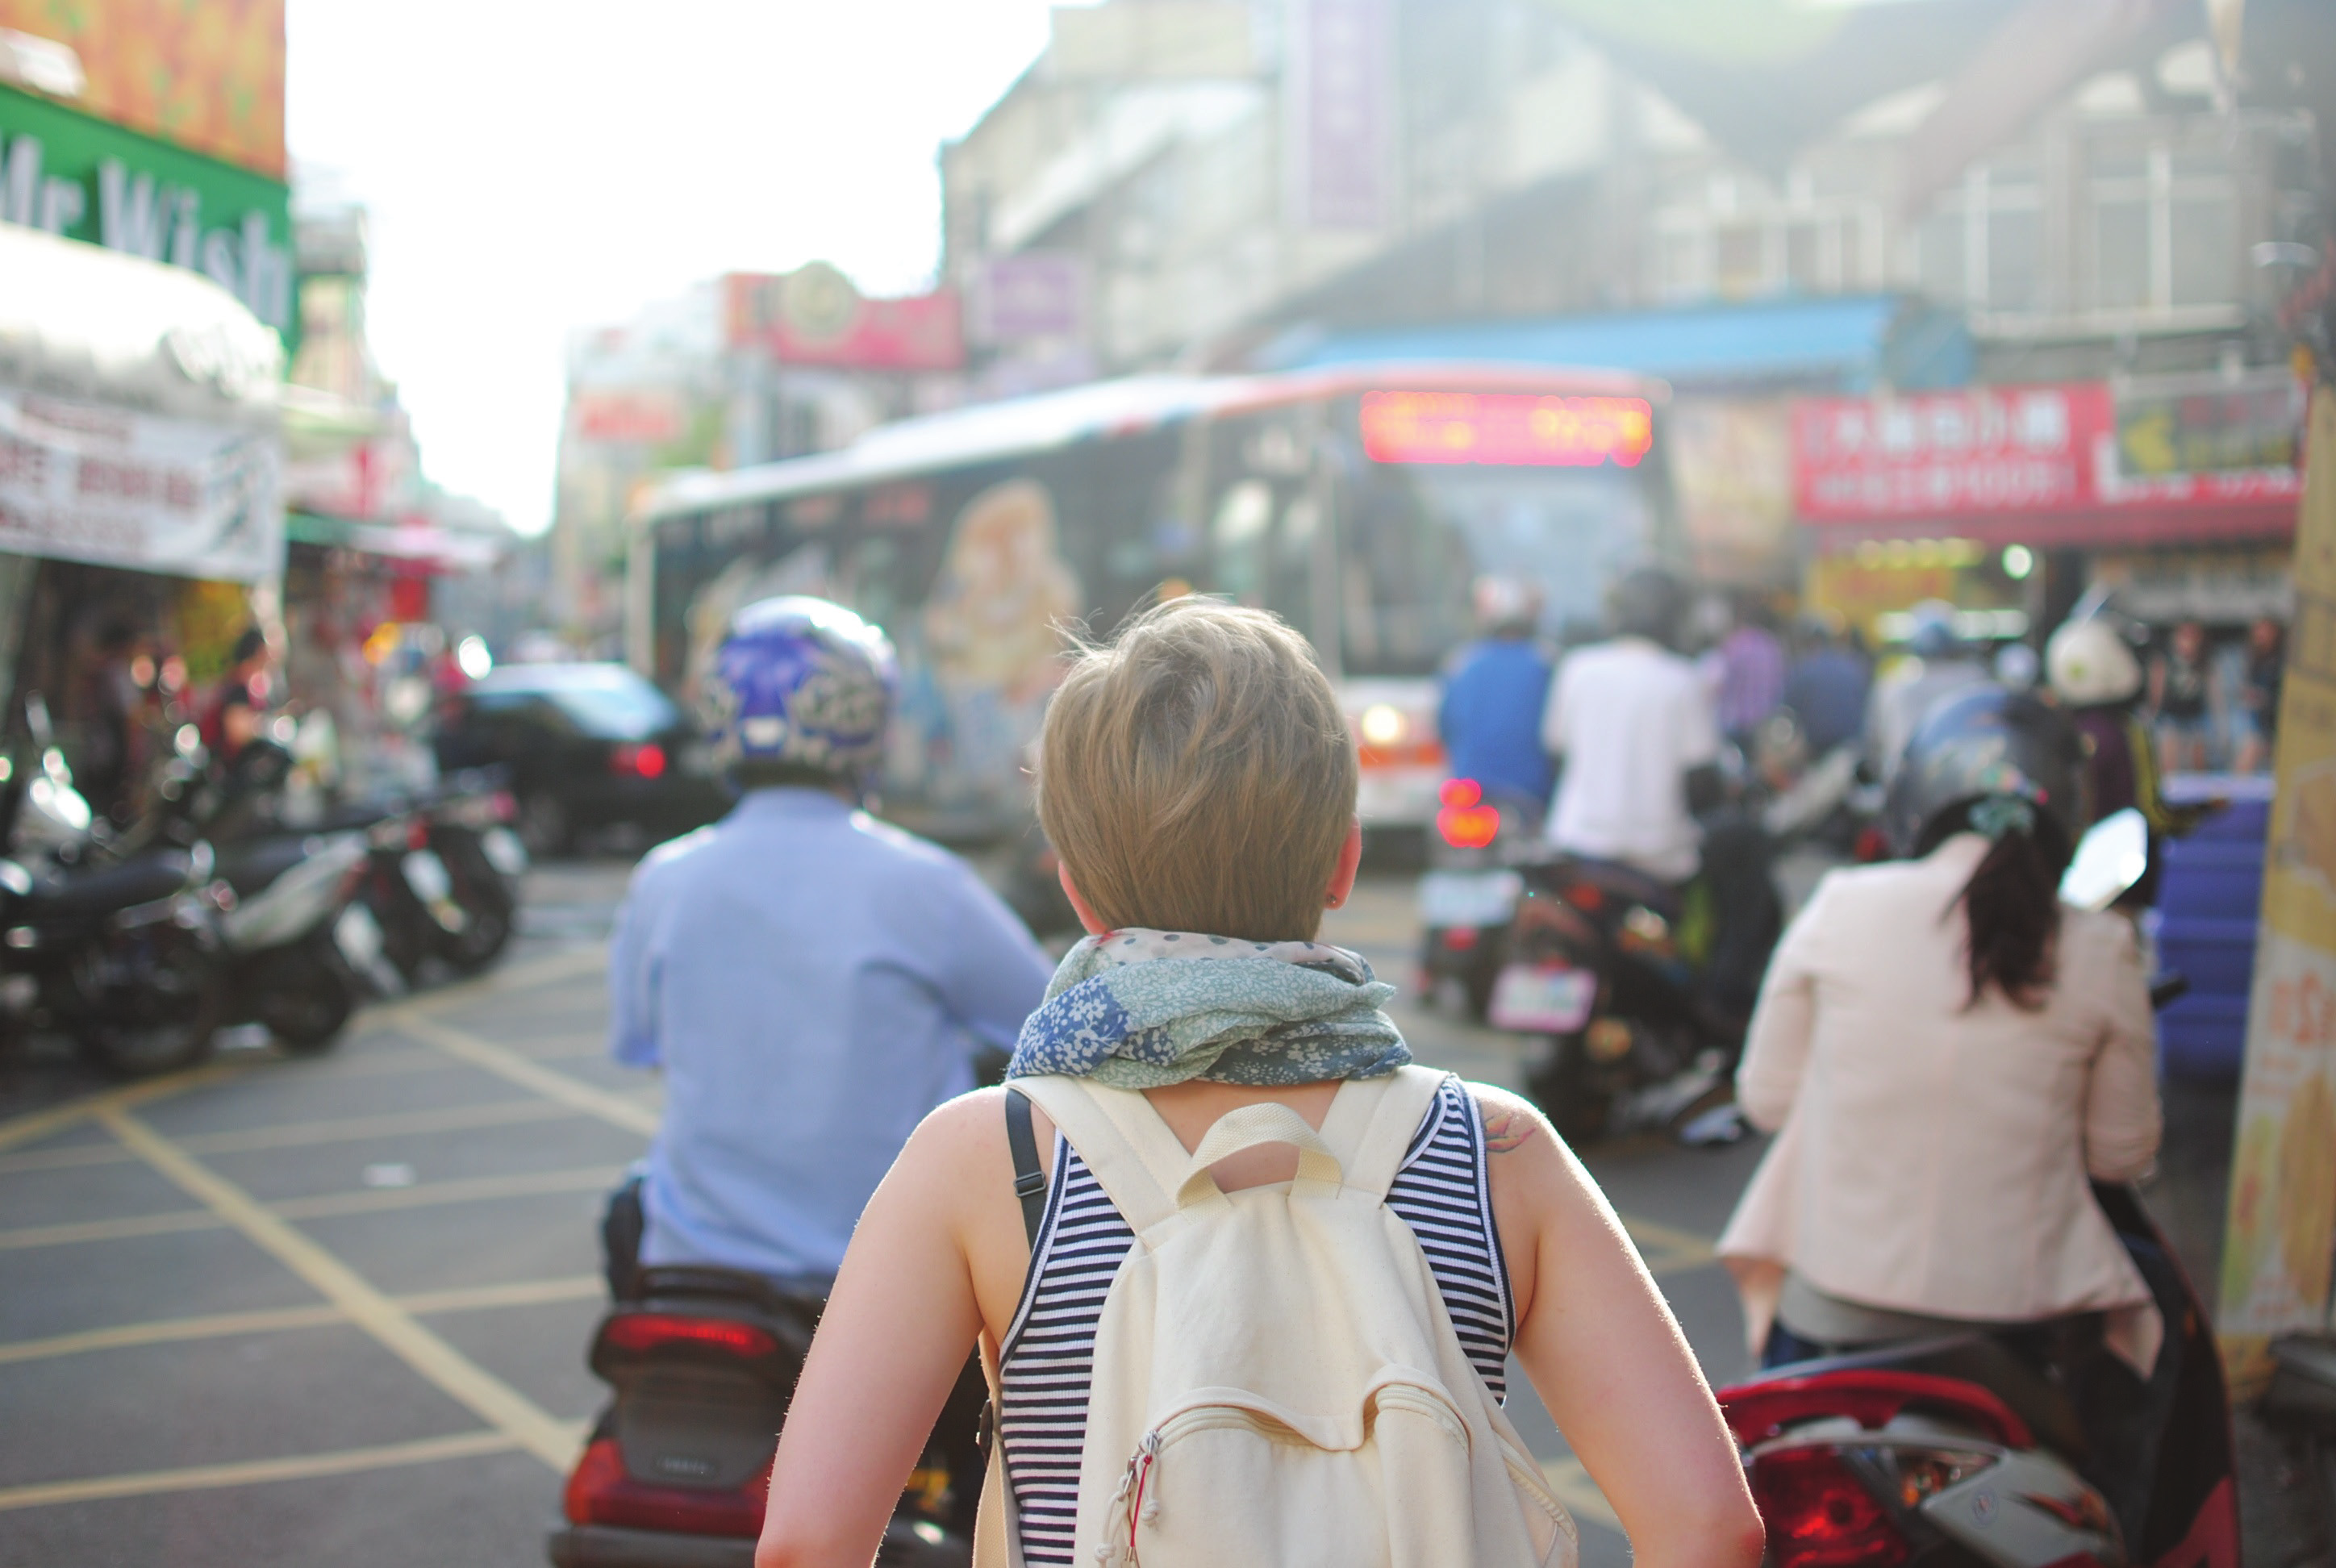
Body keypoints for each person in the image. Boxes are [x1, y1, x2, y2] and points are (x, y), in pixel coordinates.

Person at [753, 598, 1763, 1568]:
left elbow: (807, 1546)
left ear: (1075, 884)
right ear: (1344, 863)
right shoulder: (1493, 1152)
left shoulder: (987, 1159)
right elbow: (1710, 1530)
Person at [604, 596, 1053, 1295]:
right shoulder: (922, 883)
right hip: (879, 1281)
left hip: (690, 1265)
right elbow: (1046, 1024)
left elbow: (641, 1044)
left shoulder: (665, 879)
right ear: (868, 723)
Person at [1717, 683, 2161, 1376]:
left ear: (1917, 800)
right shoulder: (2100, 945)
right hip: (2019, 1328)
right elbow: (2120, 1155)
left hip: (1830, 1313)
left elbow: (1768, 1100)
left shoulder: (1842, 905)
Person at [1539, 566, 1722, 886]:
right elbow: (1701, 783)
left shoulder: (1577, 669)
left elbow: (1557, 757)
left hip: (1577, 844)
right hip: (1658, 857)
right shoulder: (1683, 679)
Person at [2046, 610, 2205, 909]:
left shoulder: (2057, 731)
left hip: (2069, 890)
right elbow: (2153, 811)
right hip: (2123, 890)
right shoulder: (2128, 732)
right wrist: (2200, 815)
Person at [1435, 575, 1554, 831]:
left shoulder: (1459, 663)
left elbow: (1444, 728)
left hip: (1467, 792)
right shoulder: (1547, 664)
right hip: (1531, 794)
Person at [1863, 600, 1989, 786]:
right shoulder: (1975, 677)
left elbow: (1873, 741)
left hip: (1909, 786)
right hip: (1959, 784)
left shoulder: (1893, 682)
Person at [1778, 615, 1869, 757]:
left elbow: (1788, 712)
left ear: (1811, 642)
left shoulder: (1803, 669)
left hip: (1816, 750)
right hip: (1852, 749)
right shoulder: (1854, 666)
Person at [1712, 593, 1786, 747]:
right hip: (1764, 724)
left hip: (1736, 723)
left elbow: (1719, 682)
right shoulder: (1772, 646)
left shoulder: (1735, 644)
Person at [199, 625, 275, 765]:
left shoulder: (251, 680)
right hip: (235, 764)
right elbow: (235, 730)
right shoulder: (240, 683)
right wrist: (261, 725)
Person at [2148, 619, 2213, 775]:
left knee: (2198, 757)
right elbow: (2157, 686)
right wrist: (2154, 711)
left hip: (2194, 715)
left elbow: (2211, 689)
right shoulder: (2166, 659)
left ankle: (2199, 790)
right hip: (2171, 714)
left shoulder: (2203, 660)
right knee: (2169, 755)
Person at [2235, 616, 2285, 774]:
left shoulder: (2282, 659)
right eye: (2257, 629)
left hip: (2279, 724)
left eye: (2263, 629)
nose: (2259, 634)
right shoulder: (2254, 658)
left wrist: (2264, 698)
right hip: (2260, 723)